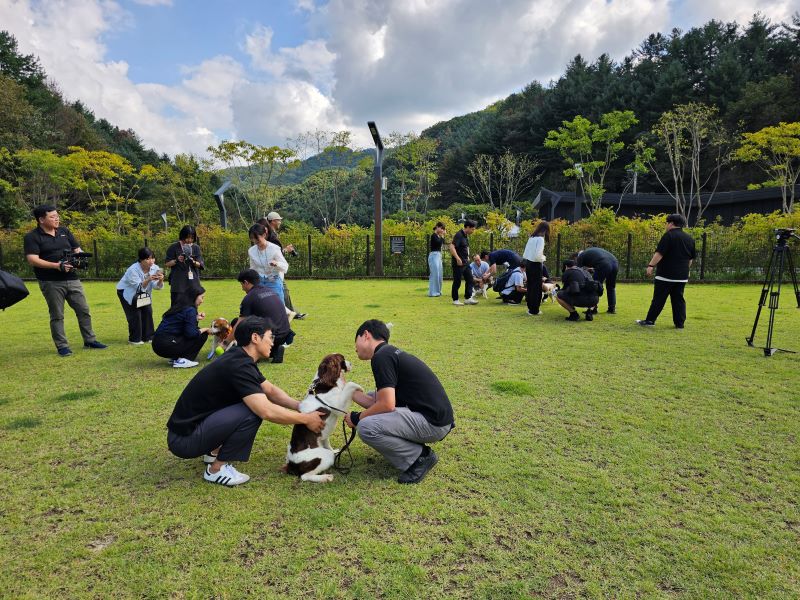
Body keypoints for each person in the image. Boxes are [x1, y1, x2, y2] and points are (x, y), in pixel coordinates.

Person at [166, 316, 326, 487]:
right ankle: (216, 470)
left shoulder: (240, 358)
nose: (273, 342)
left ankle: (213, 452)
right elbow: (266, 411)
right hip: (184, 441)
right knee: (252, 411)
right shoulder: (239, 365)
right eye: (270, 337)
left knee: (252, 403)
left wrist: (301, 406)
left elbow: (270, 390)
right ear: (255, 338)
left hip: (188, 432)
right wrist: (307, 419)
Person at [344, 320, 455, 484]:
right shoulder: (389, 353)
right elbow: (379, 401)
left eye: (356, 341)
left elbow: (387, 405)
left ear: (366, 335)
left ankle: (419, 457)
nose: (355, 348)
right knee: (373, 397)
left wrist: (357, 418)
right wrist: (344, 387)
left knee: (367, 426)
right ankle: (415, 452)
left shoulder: (381, 357)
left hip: (433, 424)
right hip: (435, 419)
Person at [23, 205, 107, 356]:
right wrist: (57, 266)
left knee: (83, 310)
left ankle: (90, 340)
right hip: (50, 281)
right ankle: (62, 346)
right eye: (52, 217)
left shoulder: (64, 231)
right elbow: (32, 259)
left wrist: (79, 258)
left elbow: (77, 249)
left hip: (72, 278)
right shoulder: (32, 237)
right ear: (41, 219)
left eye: (57, 216)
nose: (57, 219)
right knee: (57, 315)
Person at [637, 214, 696, 329]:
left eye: (666, 223)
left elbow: (659, 253)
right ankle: (679, 324)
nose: (665, 225)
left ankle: (650, 321)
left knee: (659, 299)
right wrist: (687, 270)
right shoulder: (689, 239)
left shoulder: (668, 236)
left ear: (671, 223)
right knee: (678, 299)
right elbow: (690, 259)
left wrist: (651, 265)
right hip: (682, 276)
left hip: (665, 275)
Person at [237, 269, 294, 364]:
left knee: (241, 326)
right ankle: (275, 350)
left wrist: (225, 343)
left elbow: (240, 323)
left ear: (246, 282)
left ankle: (252, 354)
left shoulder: (249, 297)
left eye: (241, 284)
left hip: (269, 336)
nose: (242, 288)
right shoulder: (271, 291)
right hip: (284, 335)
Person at [261, 212, 307, 319]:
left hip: (273, 268)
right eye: (278, 220)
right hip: (273, 269)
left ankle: (291, 312)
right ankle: (290, 313)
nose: (280, 222)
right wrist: (286, 250)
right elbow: (274, 254)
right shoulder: (271, 235)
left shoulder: (270, 234)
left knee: (280, 290)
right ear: (272, 221)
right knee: (282, 290)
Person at [116, 247, 165, 345]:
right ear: (141, 260)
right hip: (127, 292)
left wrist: (160, 280)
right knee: (135, 313)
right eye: (148, 259)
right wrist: (148, 279)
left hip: (142, 293)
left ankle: (149, 337)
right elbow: (138, 287)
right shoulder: (133, 270)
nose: (151, 261)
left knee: (147, 310)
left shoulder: (155, 268)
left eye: (152, 258)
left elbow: (156, 287)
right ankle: (134, 339)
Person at [152, 285, 209, 368]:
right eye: (202, 297)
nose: (202, 301)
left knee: (195, 331)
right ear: (194, 296)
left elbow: (179, 323)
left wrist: (195, 318)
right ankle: (185, 360)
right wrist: (205, 329)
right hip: (166, 345)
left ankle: (176, 357)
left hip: (157, 344)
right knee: (202, 334)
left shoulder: (179, 306)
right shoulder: (190, 310)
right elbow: (191, 334)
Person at [248, 223, 288, 305]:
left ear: (264, 235)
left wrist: (277, 263)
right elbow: (253, 268)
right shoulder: (251, 251)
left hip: (274, 280)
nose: (255, 241)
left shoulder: (274, 248)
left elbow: (285, 266)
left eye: (257, 238)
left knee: (278, 305)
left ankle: (285, 315)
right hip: (259, 281)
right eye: (252, 239)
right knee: (261, 305)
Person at [164, 225, 204, 306]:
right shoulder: (173, 247)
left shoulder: (196, 248)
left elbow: (201, 265)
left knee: (192, 309)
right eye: (187, 237)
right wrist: (177, 260)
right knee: (176, 309)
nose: (189, 240)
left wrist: (193, 261)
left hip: (193, 284)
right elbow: (167, 263)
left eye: (192, 238)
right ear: (182, 236)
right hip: (178, 285)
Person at [573, 247, 619, 314]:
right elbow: (597, 262)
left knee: (593, 286)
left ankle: (593, 309)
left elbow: (577, 271)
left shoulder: (581, 256)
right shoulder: (590, 252)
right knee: (611, 286)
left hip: (604, 263)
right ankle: (612, 308)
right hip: (615, 262)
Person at [522, 220, 550, 316]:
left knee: (530, 286)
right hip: (536, 265)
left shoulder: (532, 238)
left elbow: (525, 254)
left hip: (528, 264)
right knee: (536, 288)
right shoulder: (540, 239)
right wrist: (544, 258)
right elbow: (538, 256)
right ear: (546, 230)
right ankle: (535, 310)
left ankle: (530, 308)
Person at [449, 219, 478, 306]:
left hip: (466, 262)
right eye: (472, 229)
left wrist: (467, 257)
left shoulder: (465, 236)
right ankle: (455, 300)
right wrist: (457, 258)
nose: (473, 231)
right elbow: (451, 246)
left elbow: (464, 248)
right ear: (468, 227)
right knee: (457, 281)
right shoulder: (459, 235)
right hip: (459, 263)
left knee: (470, 279)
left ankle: (468, 298)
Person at [427, 222, 446, 297]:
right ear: (437, 227)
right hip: (434, 255)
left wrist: (442, 236)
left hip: (438, 255)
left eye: (443, 229)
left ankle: (438, 291)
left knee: (439, 274)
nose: (442, 230)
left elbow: (442, 242)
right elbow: (438, 243)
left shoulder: (438, 236)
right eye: (441, 228)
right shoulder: (433, 236)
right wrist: (442, 236)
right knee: (434, 274)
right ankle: (432, 292)